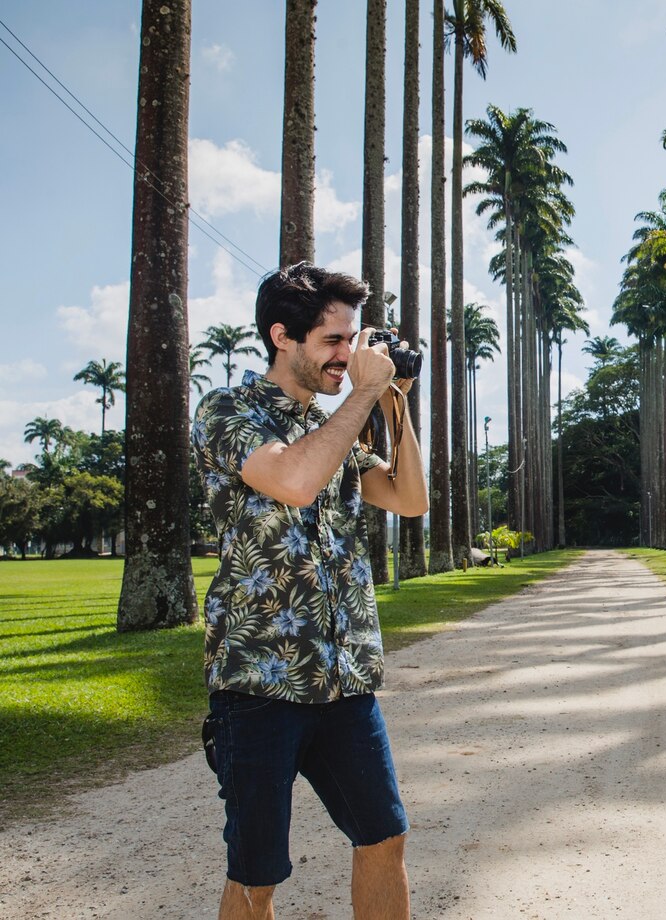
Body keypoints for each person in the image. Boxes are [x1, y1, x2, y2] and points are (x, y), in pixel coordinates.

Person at [192, 263, 428, 920]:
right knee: (257, 873)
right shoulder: (228, 411)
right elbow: (293, 480)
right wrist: (360, 400)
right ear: (283, 337)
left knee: (384, 837)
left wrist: (393, 400)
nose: (346, 356)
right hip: (260, 684)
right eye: (332, 341)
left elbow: (409, 498)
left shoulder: (335, 431)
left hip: (344, 682)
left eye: (352, 340)